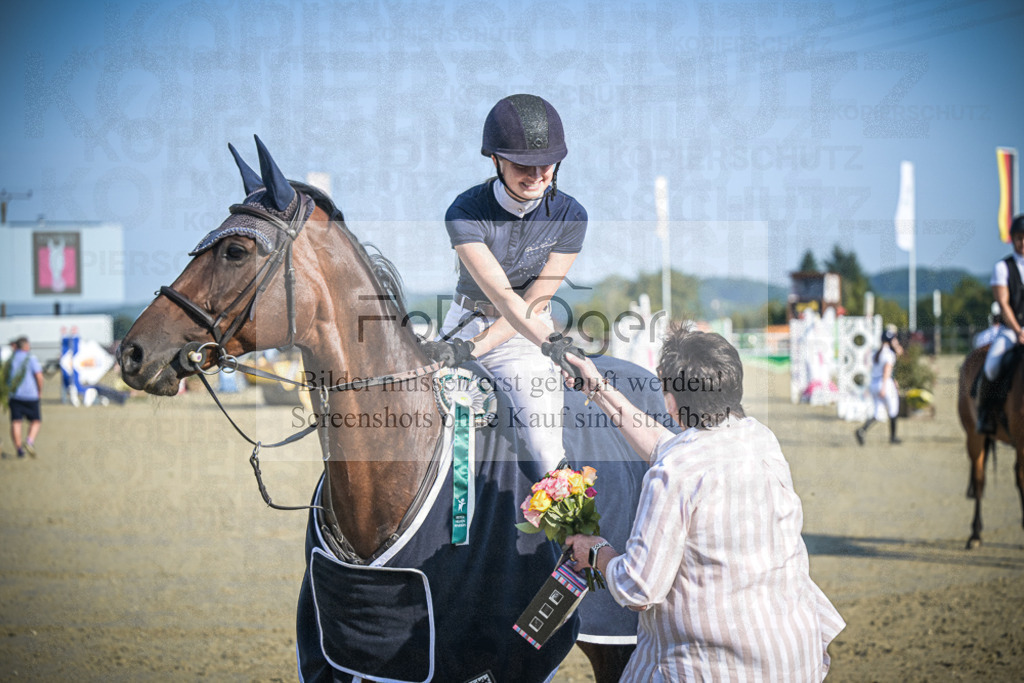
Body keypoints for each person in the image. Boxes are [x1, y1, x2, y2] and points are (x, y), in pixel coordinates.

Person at [562, 324, 845, 682]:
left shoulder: (674, 472)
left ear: (672, 399)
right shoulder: (759, 437)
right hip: (791, 654)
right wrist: (596, 387)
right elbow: (662, 444)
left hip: (713, 666)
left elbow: (638, 588)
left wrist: (596, 550)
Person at [427, 93, 587, 474]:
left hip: (527, 338)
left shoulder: (571, 216)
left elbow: (531, 303)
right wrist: (462, 346)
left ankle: (568, 530)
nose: (535, 177)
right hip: (464, 324)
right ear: (496, 160)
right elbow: (501, 295)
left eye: (545, 165)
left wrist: (549, 347)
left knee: (545, 445)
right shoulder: (465, 212)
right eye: (521, 166)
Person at [977, 214, 1024, 434]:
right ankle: (985, 414)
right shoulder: (1003, 268)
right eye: (1018, 237)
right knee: (992, 366)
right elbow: (1003, 304)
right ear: (1013, 239)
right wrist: (1018, 330)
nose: (1022, 242)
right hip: (1011, 331)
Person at [855, 325, 903, 446]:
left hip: (874, 383)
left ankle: (862, 430)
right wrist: (885, 386)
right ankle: (893, 437)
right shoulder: (889, 354)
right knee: (893, 410)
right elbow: (887, 369)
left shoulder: (876, 352)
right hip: (884, 383)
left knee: (878, 413)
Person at [6, 336, 43, 458]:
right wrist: (39, 390)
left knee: (16, 422)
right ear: (26, 346)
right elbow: (38, 376)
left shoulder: (11, 359)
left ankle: (19, 449)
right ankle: (29, 441)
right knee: (36, 421)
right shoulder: (30, 358)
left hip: (14, 394)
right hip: (30, 395)